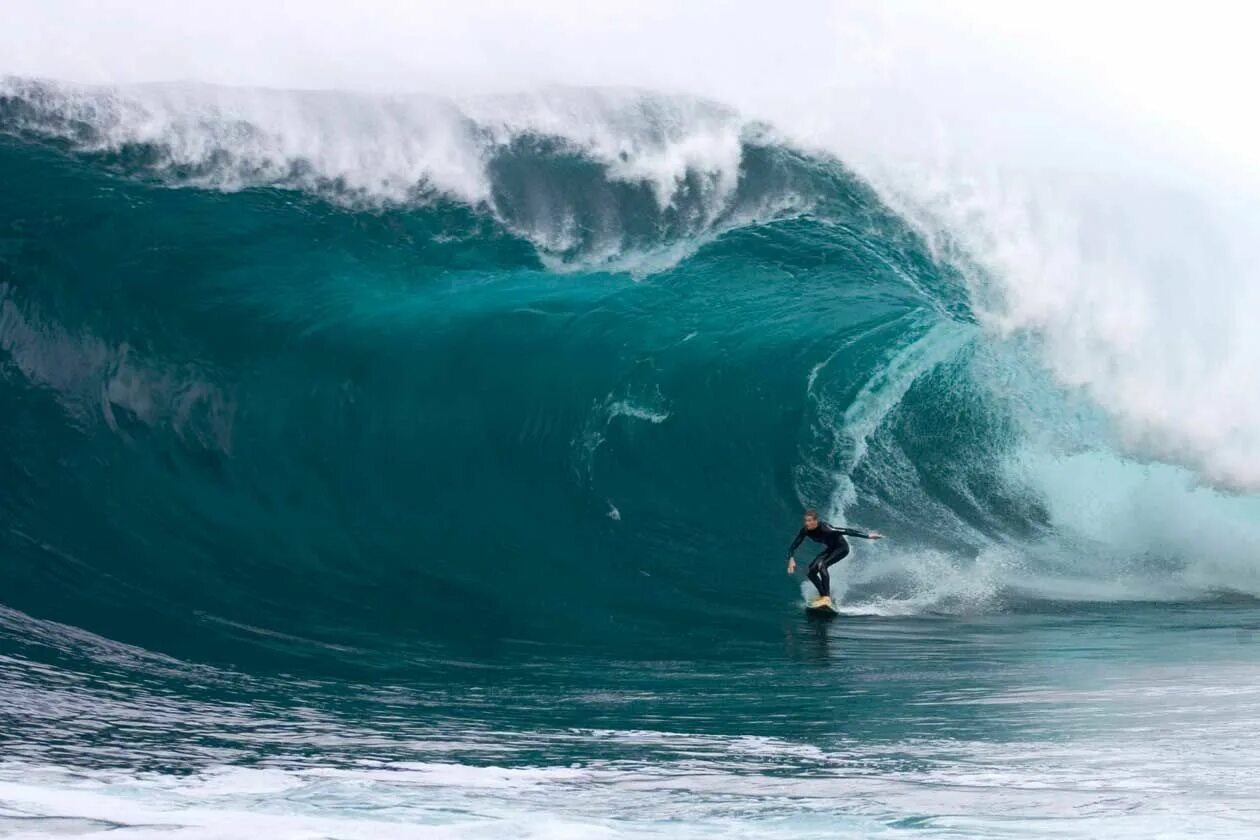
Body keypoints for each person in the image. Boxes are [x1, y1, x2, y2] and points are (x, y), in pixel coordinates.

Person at [786, 508, 882, 608]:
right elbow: (794, 545)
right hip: (831, 549)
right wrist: (791, 558)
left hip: (842, 549)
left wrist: (868, 536)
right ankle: (823, 596)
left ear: (816, 521)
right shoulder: (805, 531)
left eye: (809, 521)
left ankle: (826, 597)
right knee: (811, 571)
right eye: (805, 521)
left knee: (822, 565)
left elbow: (847, 531)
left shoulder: (827, 529)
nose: (806, 523)